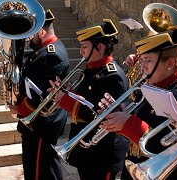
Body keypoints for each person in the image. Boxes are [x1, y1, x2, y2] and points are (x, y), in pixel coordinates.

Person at [99, 26, 177, 179]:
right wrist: (119, 114)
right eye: (142, 60)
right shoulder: (153, 85)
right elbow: (143, 120)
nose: (142, 66)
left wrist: (130, 125)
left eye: (148, 60)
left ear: (170, 63)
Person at [49, 19, 130, 180]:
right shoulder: (92, 70)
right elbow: (86, 100)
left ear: (100, 47)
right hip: (87, 151)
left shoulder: (113, 75)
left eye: (84, 46)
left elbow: (101, 116)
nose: (80, 51)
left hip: (102, 154)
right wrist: (66, 92)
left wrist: (66, 101)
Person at [8, 9, 70, 180]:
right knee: (39, 168)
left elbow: (43, 97)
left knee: (41, 171)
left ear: (40, 31)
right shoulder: (45, 49)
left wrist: (19, 107)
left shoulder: (52, 54)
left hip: (42, 124)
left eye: (31, 33)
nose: (28, 38)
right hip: (36, 124)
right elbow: (32, 62)